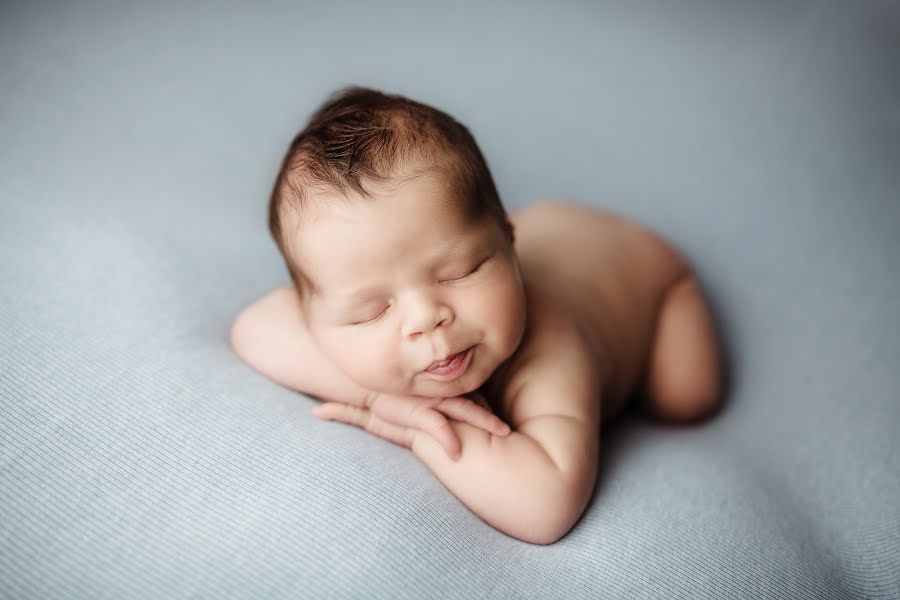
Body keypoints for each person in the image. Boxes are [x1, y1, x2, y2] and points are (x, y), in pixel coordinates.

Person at [229, 86, 723, 545]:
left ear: (508, 243)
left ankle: (667, 283)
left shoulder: (552, 348)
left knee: (684, 398)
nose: (426, 317)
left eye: (459, 272)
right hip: (549, 229)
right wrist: (379, 395)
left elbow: (545, 506)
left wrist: (419, 429)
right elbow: (253, 328)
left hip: (645, 272)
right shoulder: (360, 284)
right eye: (370, 311)